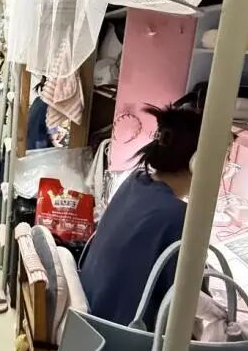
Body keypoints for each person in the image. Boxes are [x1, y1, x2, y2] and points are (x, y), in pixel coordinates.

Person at [79, 105, 202, 330]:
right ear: (198, 161)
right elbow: (184, 303)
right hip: (119, 336)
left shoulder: (134, 182)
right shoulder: (177, 216)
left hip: (91, 318)